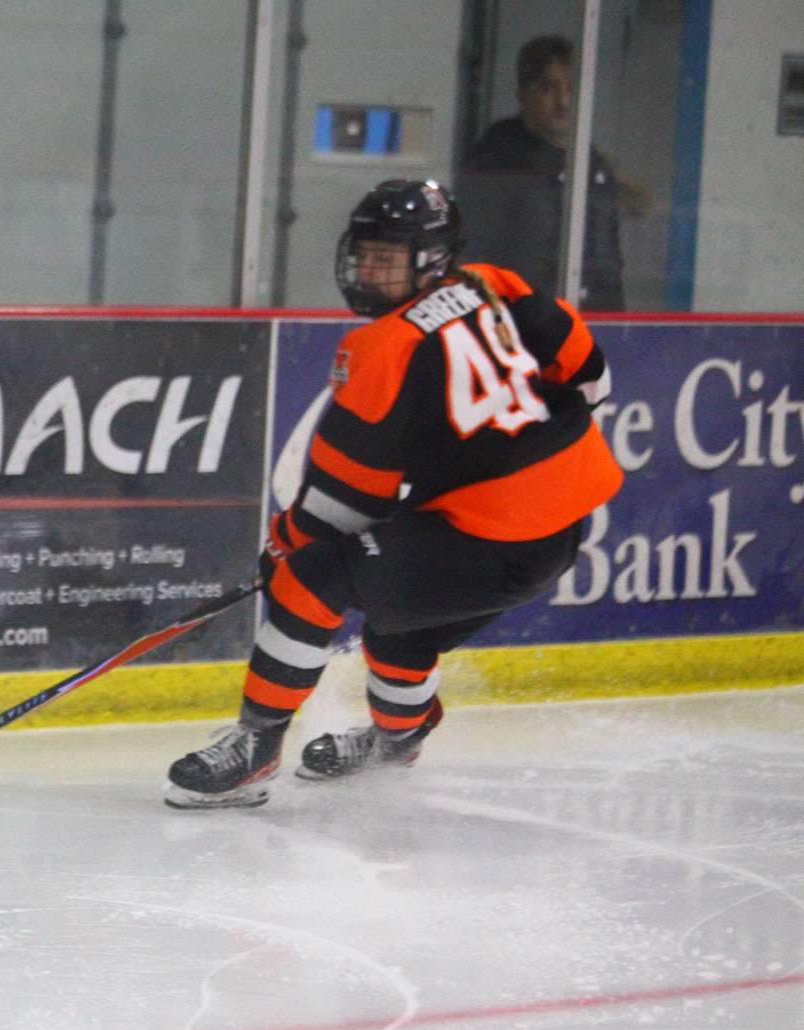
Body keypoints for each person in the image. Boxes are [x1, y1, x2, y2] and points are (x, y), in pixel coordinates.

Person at [165, 178, 622, 809]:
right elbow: (591, 373)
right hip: (560, 527)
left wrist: (284, 546)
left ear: (432, 257)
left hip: (494, 533)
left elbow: (348, 497)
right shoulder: (493, 282)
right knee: (401, 630)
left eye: (389, 256)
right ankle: (395, 741)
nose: (369, 268)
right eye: (365, 252)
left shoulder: (381, 346)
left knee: (310, 579)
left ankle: (255, 747)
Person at [457, 34, 637, 311]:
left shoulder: (595, 165)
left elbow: (609, 264)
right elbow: (474, 260)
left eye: (570, 87)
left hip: (594, 325)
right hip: (519, 325)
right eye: (548, 87)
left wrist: (618, 324)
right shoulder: (496, 161)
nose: (563, 101)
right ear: (523, 95)